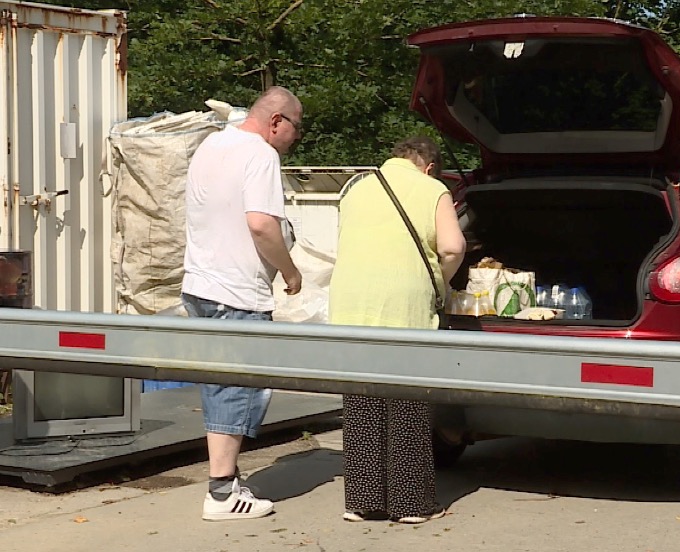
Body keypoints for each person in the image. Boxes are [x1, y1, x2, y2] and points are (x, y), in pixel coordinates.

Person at [180, 86, 304, 521]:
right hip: (236, 292)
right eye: (296, 127)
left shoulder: (212, 144)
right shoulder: (261, 154)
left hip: (199, 284)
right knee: (239, 388)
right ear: (276, 121)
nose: (295, 137)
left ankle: (225, 480)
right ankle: (220, 494)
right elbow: (261, 224)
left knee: (217, 384)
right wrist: (289, 271)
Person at [329, 136, 466, 524]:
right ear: (429, 166)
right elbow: (453, 246)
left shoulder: (355, 186)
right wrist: (441, 283)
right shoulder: (432, 188)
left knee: (362, 401)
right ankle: (410, 505)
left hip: (350, 303)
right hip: (402, 305)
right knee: (406, 400)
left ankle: (363, 501)